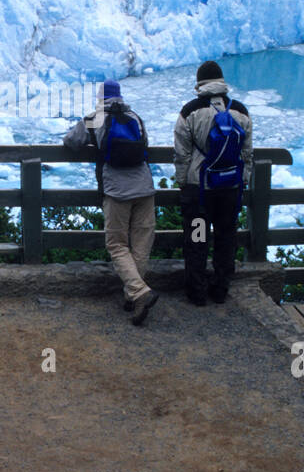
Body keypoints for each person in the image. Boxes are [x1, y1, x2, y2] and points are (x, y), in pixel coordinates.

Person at [63, 80, 159, 326]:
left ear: (100, 97)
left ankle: (138, 292)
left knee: (116, 244)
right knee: (140, 244)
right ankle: (133, 297)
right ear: (120, 96)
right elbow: (145, 146)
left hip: (116, 191)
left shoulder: (95, 118)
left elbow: (71, 142)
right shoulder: (135, 117)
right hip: (144, 188)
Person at [173, 61, 253, 306]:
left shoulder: (190, 111)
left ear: (199, 83)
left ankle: (197, 292)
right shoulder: (240, 111)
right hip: (229, 190)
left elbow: (182, 154)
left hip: (200, 193)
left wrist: (183, 183)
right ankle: (220, 288)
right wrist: (243, 181)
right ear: (221, 82)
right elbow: (247, 154)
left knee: (197, 238)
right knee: (225, 237)